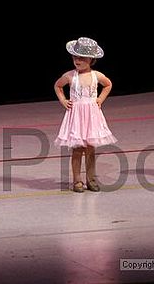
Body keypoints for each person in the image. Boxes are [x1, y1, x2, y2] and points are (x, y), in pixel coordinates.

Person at [54, 37, 117, 193]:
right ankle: (77, 180)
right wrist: (63, 100)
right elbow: (58, 86)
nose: (77, 60)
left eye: (81, 57)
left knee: (90, 148)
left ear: (91, 59)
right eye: (75, 57)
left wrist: (100, 99)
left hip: (91, 115)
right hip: (76, 116)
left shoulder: (96, 75)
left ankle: (91, 179)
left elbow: (108, 84)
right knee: (77, 149)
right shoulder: (70, 76)